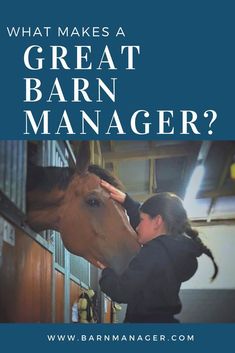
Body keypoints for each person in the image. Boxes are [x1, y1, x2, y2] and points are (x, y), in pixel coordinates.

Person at [97, 180, 218, 323]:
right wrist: (128, 202)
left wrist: (106, 272)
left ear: (158, 221)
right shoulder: (174, 252)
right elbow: (149, 231)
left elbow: (121, 291)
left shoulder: (153, 252)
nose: (137, 227)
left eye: (141, 220)